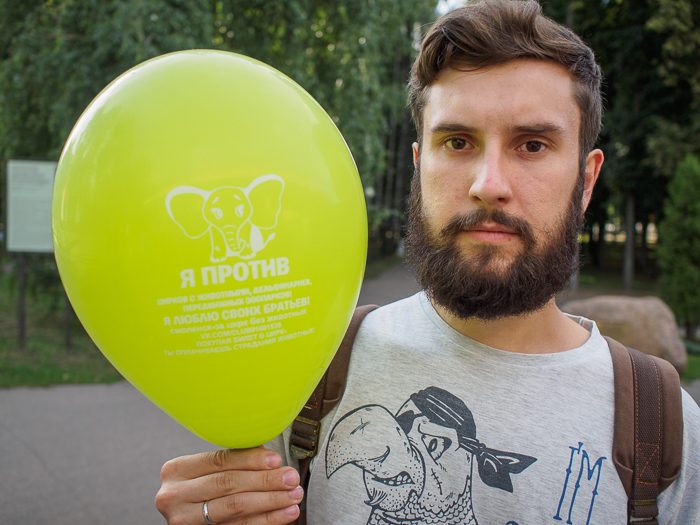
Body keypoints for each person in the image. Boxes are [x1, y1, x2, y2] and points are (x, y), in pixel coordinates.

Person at [155, 1, 700, 524]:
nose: (488, 184)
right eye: (458, 142)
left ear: (586, 181)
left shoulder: (664, 429)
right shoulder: (309, 370)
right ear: (420, 166)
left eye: (532, 145)